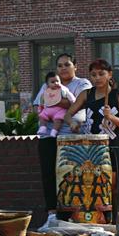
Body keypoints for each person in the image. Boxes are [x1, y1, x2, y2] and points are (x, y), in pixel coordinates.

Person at [64, 58, 119, 222]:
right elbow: (67, 114)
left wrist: (111, 117)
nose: (97, 78)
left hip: (111, 147)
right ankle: (96, 218)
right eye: (93, 75)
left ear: (109, 74)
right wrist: (72, 123)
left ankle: (116, 220)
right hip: (91, 149)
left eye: (101, 74)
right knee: (93, 186)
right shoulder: (87, 94)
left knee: (112, 186)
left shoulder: (118, 95)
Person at [34, 54, 92, 227]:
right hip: (49, 137)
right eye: (59, 66)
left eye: (67, 64)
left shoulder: (82, 84)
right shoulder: (48, 82)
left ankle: (75, 215)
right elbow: (40, 105)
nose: (63, 68)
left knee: (73, 175)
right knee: (49, 174)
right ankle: (52, 215)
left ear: (75, 65)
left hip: (72, 137)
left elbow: (79, 103)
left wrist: (56, 101)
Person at [37, 71, 76, 138]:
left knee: (58, 120)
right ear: (47, 84)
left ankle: (54, 131)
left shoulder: (62, 89)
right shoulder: (46, 91)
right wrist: (41, 107)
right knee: (42, 117)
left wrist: (73, 102)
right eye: (52, 82)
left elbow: (69, 95)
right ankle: (43, 127)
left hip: (59, 111)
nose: (56, 83)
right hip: (48, 110)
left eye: (57, 81)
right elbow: (42, 99)